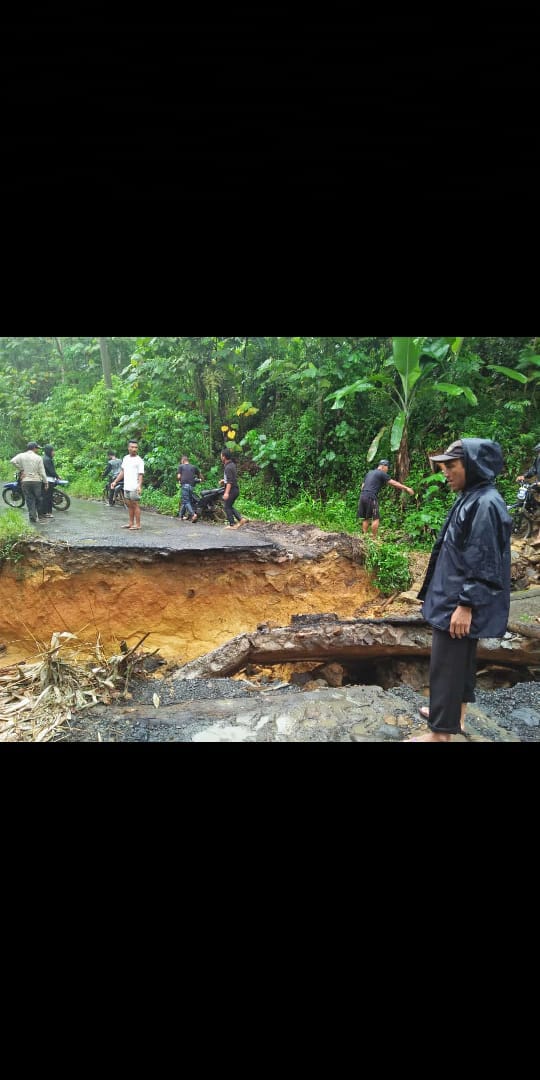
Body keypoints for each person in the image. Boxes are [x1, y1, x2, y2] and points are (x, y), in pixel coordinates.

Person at [407, 439, 511, 742]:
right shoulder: (474, 495)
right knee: (462, 661)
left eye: (451, 465)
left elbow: (484, 560)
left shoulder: (485, 503)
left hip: (459, 601)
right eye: (443, 466)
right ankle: (456, 717)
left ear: (474, 465)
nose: (445, 472)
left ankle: (440, 734)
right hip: (456, 596)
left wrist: (465, 605)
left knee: (447, 664)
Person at [357, 459, 415, 537]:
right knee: (376, 518)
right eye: (387, 468)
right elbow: (394, 483)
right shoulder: (381, 473)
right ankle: (373, 539)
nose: (387, 470)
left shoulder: (369, 473)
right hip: (371, 496)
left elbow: (362, 486)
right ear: (383, 466)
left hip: (363, 495)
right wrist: (406, 488)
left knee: (366, 518)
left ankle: (364, 537)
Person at [10, 441, 49, 525]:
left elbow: (12, 461)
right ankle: (40, 516)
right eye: (37, 448)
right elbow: (42, 471)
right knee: (38, 498)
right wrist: (46, 482)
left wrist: (21, 469)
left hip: (25, 480)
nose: (37, 450)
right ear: (34, 448)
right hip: (36, 481)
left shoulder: (21, 455)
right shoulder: (38, 457)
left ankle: (33, 518)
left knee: (29, 499)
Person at [110, 440, 144, 530]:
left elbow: (141, 474)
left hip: (134, 486)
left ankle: (138, 525)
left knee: (135, 504)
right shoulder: (125, 458)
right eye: (132, 447)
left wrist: (139, 486)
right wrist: (115, 481)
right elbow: (122, 472)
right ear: (128, 448)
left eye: (136, 447)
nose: (134, 449)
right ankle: (130, 523)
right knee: (129, 505)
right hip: (127, 486)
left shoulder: (139, 460)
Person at [517, 442, 540, 545]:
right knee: (529, 495)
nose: (539, 453)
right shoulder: (538, 459)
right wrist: (524, 476)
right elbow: (533, 470)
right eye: (538, 452)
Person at [220, 450, 248, 529]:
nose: (221, 457)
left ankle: (232, 524)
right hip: (235, 489)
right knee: (229, 506)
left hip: (232, 490)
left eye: (221, 456)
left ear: (224, 457)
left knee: (227, 507)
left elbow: (229, 482)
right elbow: (230, 478)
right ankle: (241, 519)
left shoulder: (228, 467)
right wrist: (223, 480)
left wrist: (226, 493)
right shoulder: (232, 465)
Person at [177, 454, 203, 522]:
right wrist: (201, 479)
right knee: (184, 501)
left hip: (184, 486)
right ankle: (181, 516)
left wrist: (180, 480)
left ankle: (193, 514)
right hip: (191, 486)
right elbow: (200, 475)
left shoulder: (181, 466)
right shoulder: (193, 467)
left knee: (186, 501)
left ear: (183, 460)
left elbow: (179, 477)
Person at [40, 444, 62, 518]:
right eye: (53, 451)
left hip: (46, 479)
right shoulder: (47, 460)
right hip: (48, 480)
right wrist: (57, 476)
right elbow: (51, 471)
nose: (54, 452)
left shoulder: (44, 458)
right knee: (47, 497)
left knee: (46, 496)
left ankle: (45, 512)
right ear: (49, 451)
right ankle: (46, 513)